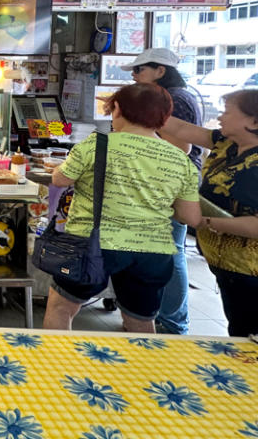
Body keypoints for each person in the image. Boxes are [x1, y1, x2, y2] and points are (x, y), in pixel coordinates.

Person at [43, 83, 201, 333]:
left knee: (61, 309)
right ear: (164, 117)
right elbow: (190, 216)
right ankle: (143, 371)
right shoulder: (180, 160)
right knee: (140, 320)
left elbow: (60, 180)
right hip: (151, 250)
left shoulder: (96, 145)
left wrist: (58, 168)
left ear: (116, 109)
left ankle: (56, 368)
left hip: (93, 245)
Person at [161, 89, 258, 337]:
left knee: (247, 335)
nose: (221, 118)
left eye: (227, 112)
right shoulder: (226, 143)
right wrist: (137, 107)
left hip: (249, 270)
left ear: (253, 121)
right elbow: (181, 130)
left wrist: (205, 221)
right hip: (226, 266)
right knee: (238, 328)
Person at [122, 48, 203, 334]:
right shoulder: (178, 96)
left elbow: (179, 146)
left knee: (171, 251)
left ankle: (172, 322)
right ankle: (162, 318)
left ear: (160, 71)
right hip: (166, 183)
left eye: (139, 70)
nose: (134, 76)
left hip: (170, 184)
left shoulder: (174, 100)